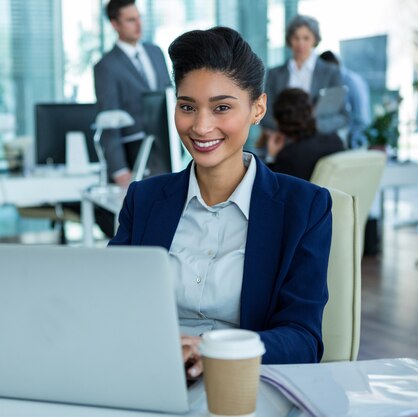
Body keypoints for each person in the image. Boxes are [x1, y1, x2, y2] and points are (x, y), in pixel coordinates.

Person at [109, 28, 332, 372]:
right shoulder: (144, 199)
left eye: (222, 108)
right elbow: (110, 305)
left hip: (244, 383)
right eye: (187, 107)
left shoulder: (304, 207)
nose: (201, 126)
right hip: (148, 375)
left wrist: (213, 350)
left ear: (257, 109)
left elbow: (303, 338)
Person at [94, 0, 171, 189]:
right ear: (115, 24)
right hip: (136, 153)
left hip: (167, 149)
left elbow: (169, 99)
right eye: (130, 20)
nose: (139, 25)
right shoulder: (107, 66)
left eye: (139, 18)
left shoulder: (156, 53)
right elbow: (109, 120)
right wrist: (120, 170)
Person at [261, 15, 348, 137]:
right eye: (296, 38)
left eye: (306, 38)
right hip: (284, 141)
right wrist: (286, 130)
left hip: (317, 141)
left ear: (315, 40)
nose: (300, 43)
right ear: (289, 40)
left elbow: (343, 116)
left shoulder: (331, 73)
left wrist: (314, 127)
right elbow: (264, 113)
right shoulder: (275, 74)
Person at [265, 88, 345, 181]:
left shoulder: (287, 156)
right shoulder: (335, 141)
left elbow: (271, 186)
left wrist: (271, 156)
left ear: (278, 122)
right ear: (311, 112)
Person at [319, 50, 372, 148]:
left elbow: (360, 118)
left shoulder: (349, 81)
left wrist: (353, 143)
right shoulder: (348, 78)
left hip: (355, 137)